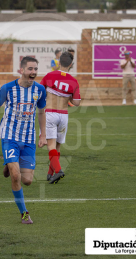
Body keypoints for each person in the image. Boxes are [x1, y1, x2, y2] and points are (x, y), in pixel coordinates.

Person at [0, 56, 47, 224]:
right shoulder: (7, 88)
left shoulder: (39, 90)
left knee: (28, 181)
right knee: (16, 176)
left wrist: (43, 135)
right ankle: (24, 213)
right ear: (21, 70)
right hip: (9, 136)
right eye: (30, 69)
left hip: (29, 138)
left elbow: (41, 112)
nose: (33, 72)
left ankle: (9, 164)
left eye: (35, 69)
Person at [40, 52, 81, 184]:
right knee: (57, 147)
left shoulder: (50, 75)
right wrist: (68, 96)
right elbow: (76, 103)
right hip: (63, 115)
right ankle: (50, 174)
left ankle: (58, 171)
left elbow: (40, 91)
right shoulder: (74, 81)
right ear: (71, 64)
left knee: (50, 146)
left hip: (50, 113)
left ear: (58, 62)